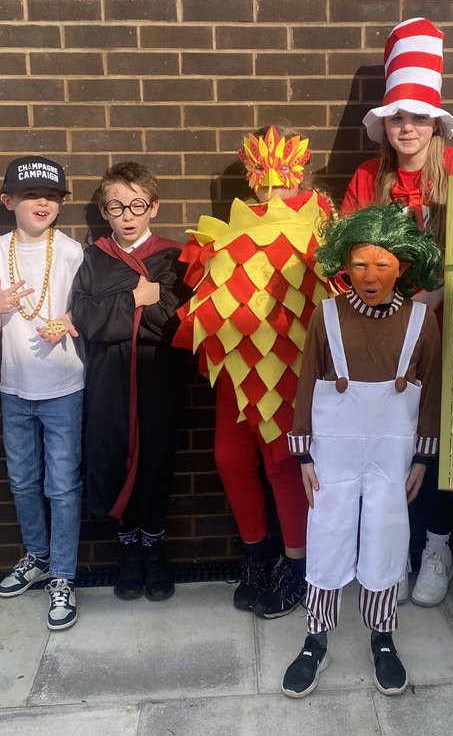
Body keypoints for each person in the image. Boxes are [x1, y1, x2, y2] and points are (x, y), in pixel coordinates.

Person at [342, 17, 453, 608]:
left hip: (450, 334)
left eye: (419, 116)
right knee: (394, 444)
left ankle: (437, 546)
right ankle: (395, 548)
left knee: (440, 443)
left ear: (436, 123)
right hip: (386, 337)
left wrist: (439, 295)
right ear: (385, 124)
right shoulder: (366, 178)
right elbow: (344, 257)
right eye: (398, 117)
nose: (408, 127)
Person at [174, 126, 337, 618]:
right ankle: (257, 554)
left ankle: (295, 564)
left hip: (289, 363)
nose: (271, 187)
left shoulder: (323, 227)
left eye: (281, 174)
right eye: (261, 176)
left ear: (300, 173)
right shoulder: (230, 229)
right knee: (229, 458)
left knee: (284, 464)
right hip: (236, 363)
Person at [281, 203, 442, 699]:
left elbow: (432, 390)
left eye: (382, 264)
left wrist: (422, 456)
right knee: (326, 532)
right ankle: (316, 637)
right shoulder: (327, 314)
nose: (370, 276)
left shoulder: (422, 320)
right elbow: (307, 383)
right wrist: (304, 454)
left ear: (404, 266)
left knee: (386, 536)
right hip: (334, 450)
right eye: (359, 264)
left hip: (394, 455)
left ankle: (383, 634)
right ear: (343, 265)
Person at [70, 161, 187, 602]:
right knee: (111, 455)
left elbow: (178, 325)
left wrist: (125, 312)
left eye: (137, 204)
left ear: (153, 207)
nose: (127, 214)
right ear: (105, 211)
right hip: (107, 379)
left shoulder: (175, 257)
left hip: (156, 376)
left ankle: (154, 549)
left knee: (155, 457)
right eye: (116, 206)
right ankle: (128, 552)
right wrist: (136, 299)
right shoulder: (94, 259)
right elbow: (84, 317)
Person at [0, 156, 85, 630]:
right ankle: (37, 555)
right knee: (22, 481)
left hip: (64, 386)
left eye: (52, 195)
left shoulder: (71, 251)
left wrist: (67, 321)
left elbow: (85, 310)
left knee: (62, 486)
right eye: (30, 195)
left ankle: (63, 574)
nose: (43, 202)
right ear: (9, 202)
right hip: (15, 387)